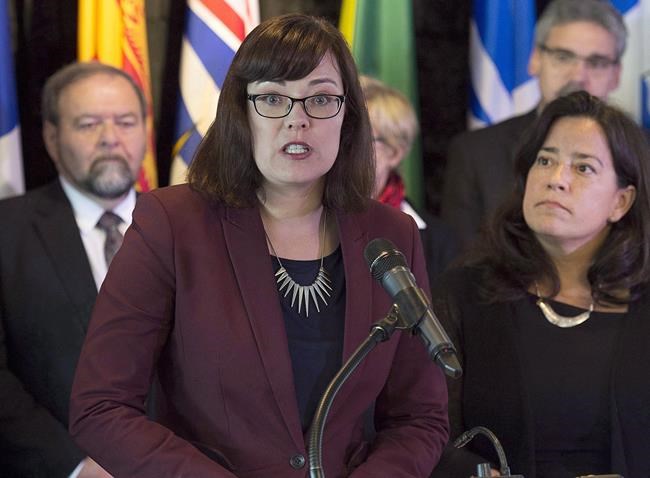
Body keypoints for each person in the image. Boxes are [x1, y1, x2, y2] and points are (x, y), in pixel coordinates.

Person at [69, 14, 449, 478]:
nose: (297, 120)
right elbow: (101, 406)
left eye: (320, 99)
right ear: (242, 112)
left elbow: (419, 417)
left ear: (348, 116)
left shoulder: (392, 234)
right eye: (272, 98)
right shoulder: (172, 223)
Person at [430, 91, 650, 478]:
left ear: (621, 201)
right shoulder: (465, 293)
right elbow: (422, 430)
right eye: (545, 161)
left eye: (583, 168)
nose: (556, 179)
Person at [0, 61, 148, 477]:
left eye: (125, 122)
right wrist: (75, 467)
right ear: (52, 138)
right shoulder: (7, 232)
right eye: (88, 124)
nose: (110, 138)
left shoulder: (193, 229)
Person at [440, 0, 627, 249]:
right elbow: (460, 261)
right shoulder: (475, 153)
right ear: (535, 59)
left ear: (617, 74)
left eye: (596, 62)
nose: (578, 76)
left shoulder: (644, 155)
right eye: (563, 57)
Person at [361, 75, 458, 282]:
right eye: (342, 134)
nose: (345, 147)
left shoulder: (438, 241)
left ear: (395, 153)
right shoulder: (309, 221)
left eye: (361, 138)